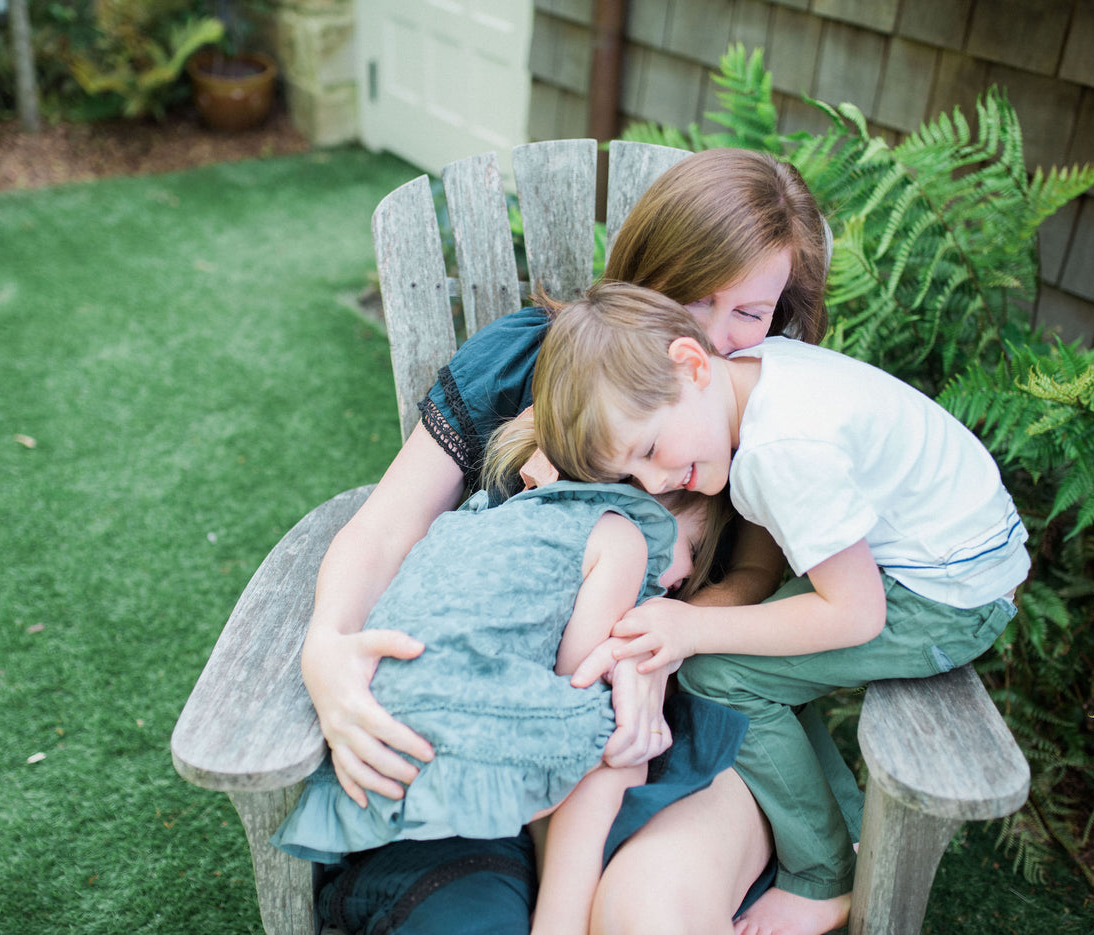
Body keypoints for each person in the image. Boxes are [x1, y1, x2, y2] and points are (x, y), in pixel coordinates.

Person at [297, 148, 834, 934]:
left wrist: (663, 641)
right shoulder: (529, 359)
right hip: (487, 714)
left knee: (651, 917)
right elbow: (386, 524)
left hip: (683, 723)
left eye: (749, 313)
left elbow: (757, 572)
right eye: (691, 295)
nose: (713, 339)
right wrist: (325, 643)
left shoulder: (767, 411)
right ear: (644, 270)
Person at [528, 281, 1030, 935]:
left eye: (650, 450)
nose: (654, 484)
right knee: (743, 661)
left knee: (721, 672)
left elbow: (856, 616)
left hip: (948, 593)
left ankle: (823, 874)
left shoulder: (779, 452)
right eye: (634, 474)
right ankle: (841, 827)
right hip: (949, 554)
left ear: (692, 363)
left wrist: (694, 624)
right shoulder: (760, 374)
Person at [273, 474, 730, 935]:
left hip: (373, 770)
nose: (680, 584)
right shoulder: (624, 538)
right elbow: (578, 687)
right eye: (691, 549)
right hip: (451, 771)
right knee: (621, 742)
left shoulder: (479, 517)